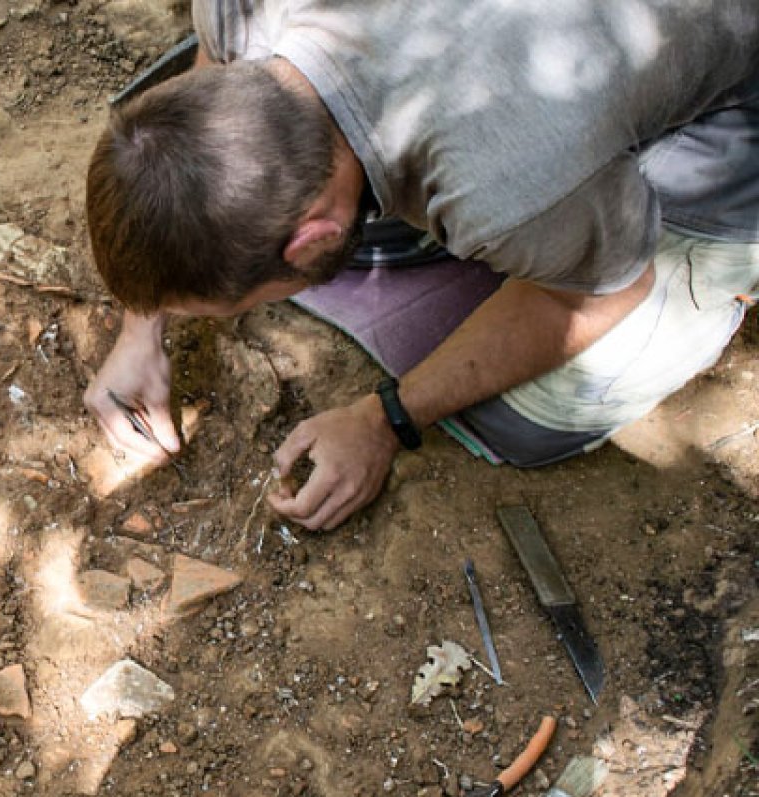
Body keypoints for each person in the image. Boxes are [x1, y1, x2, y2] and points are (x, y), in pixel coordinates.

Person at [83, 0, 759, 531]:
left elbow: (595, 297)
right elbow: (202, 89)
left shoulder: (503, 185)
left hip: (726, 109)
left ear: (310, 234)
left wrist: (387, 419)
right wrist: (140, 327)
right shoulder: (238, 10)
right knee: (365, 248)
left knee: (526, 415)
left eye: (240, 308)